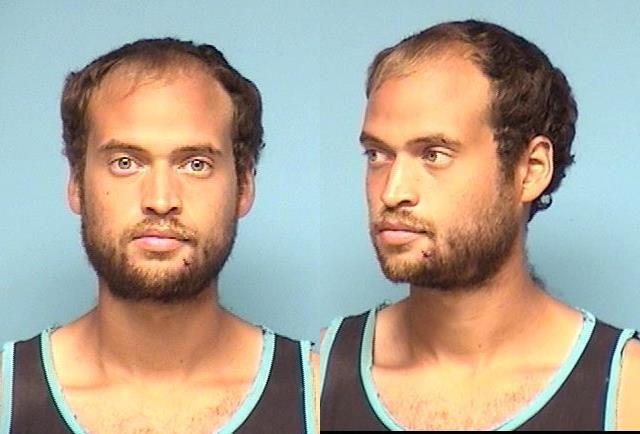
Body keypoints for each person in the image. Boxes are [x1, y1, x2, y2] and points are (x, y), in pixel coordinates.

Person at [320, 20, 640, 430]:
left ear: (531, 170)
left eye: (434, 154)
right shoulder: (320, 374)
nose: (392, 192)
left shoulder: (627, 392)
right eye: (378, 155)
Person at [0, 38, 315, 434]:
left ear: (244, 186)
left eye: (195, 164)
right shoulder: (5, 397)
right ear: (76, 183)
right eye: (125, 163)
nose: (160, 201)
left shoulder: (317, 396)